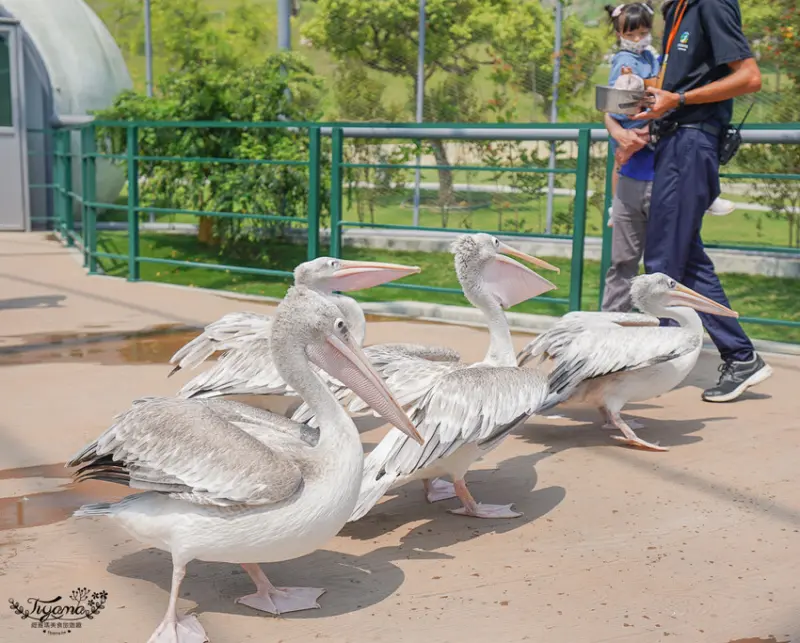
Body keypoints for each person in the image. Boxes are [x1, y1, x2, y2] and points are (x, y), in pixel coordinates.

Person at [632, 0, 772, 402]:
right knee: (685, 258)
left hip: (691, 143)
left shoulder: (710, 3)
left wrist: (677, 101)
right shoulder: (676, 10)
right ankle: (740, 356)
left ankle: (663, 358)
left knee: (662, 262)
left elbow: (749, 77)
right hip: (675, 139)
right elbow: (684, 84)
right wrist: (657, 98)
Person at [601, 2, 735, 313]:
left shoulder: (656, 58)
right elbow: (615, 105)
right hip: (636, 167)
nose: (638, 37)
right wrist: (619, 132)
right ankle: (612, 328)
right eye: (631, 32)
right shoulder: (624, 61)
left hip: (664, 164)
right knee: (624, 261)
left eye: (643, 31)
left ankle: (658, 328)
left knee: (666, 264)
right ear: (620, 32)